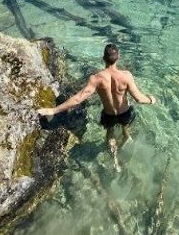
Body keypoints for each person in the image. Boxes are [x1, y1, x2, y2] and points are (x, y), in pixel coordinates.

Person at [37, 43, 158, 172]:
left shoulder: (96, 79)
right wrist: (151, 99)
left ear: (103, 58)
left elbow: (78, 98)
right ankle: (126, 135)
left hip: (109, 115)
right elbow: (139, 98)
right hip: (125, 113)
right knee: (124, 124)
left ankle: (116, 162)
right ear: (118, 57)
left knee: (110, 134)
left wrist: (53, 110)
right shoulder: (126, 76)